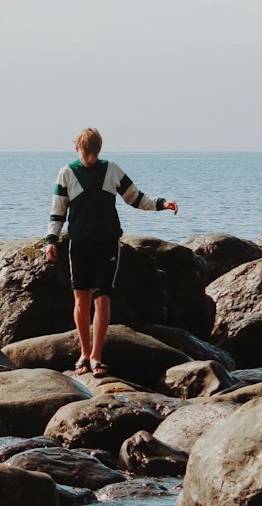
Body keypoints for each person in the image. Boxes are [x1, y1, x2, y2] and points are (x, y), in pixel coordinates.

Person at [45, 127, 178, 375]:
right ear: (78, 149)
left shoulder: (111, 170)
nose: (89, 158)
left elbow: (135, 197)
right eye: (86, 153)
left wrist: (161, 203)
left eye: (93, 153)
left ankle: (96, 356)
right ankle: (84, 354)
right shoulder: (66, 173)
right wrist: (51, 239)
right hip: (80, 244)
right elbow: (58, 210)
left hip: (107, 243)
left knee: (103, 299)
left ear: (98, 150)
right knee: (81, 300)